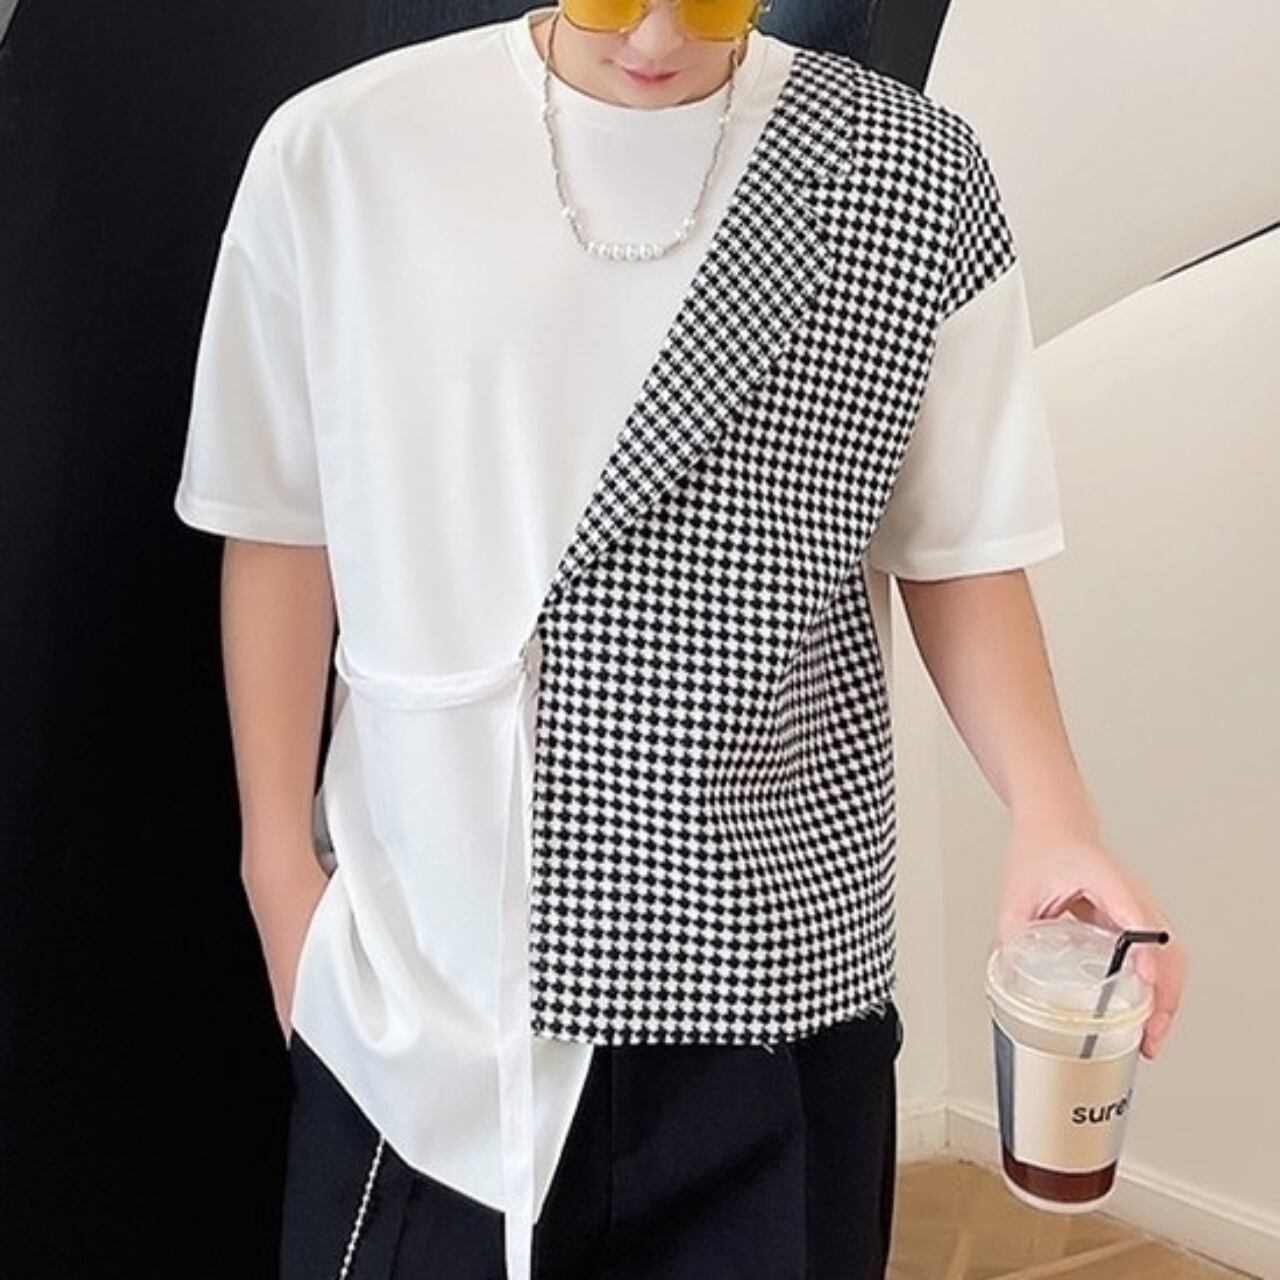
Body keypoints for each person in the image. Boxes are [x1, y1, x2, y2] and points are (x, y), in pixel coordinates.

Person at [172, 2, 1186, 1277]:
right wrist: (278, 873)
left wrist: (1051, 810)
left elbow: (957, 546)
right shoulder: (343, 153)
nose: (654, 35)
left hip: (772, 978)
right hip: (426, 972)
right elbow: (278, 526)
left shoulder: (907, 174)